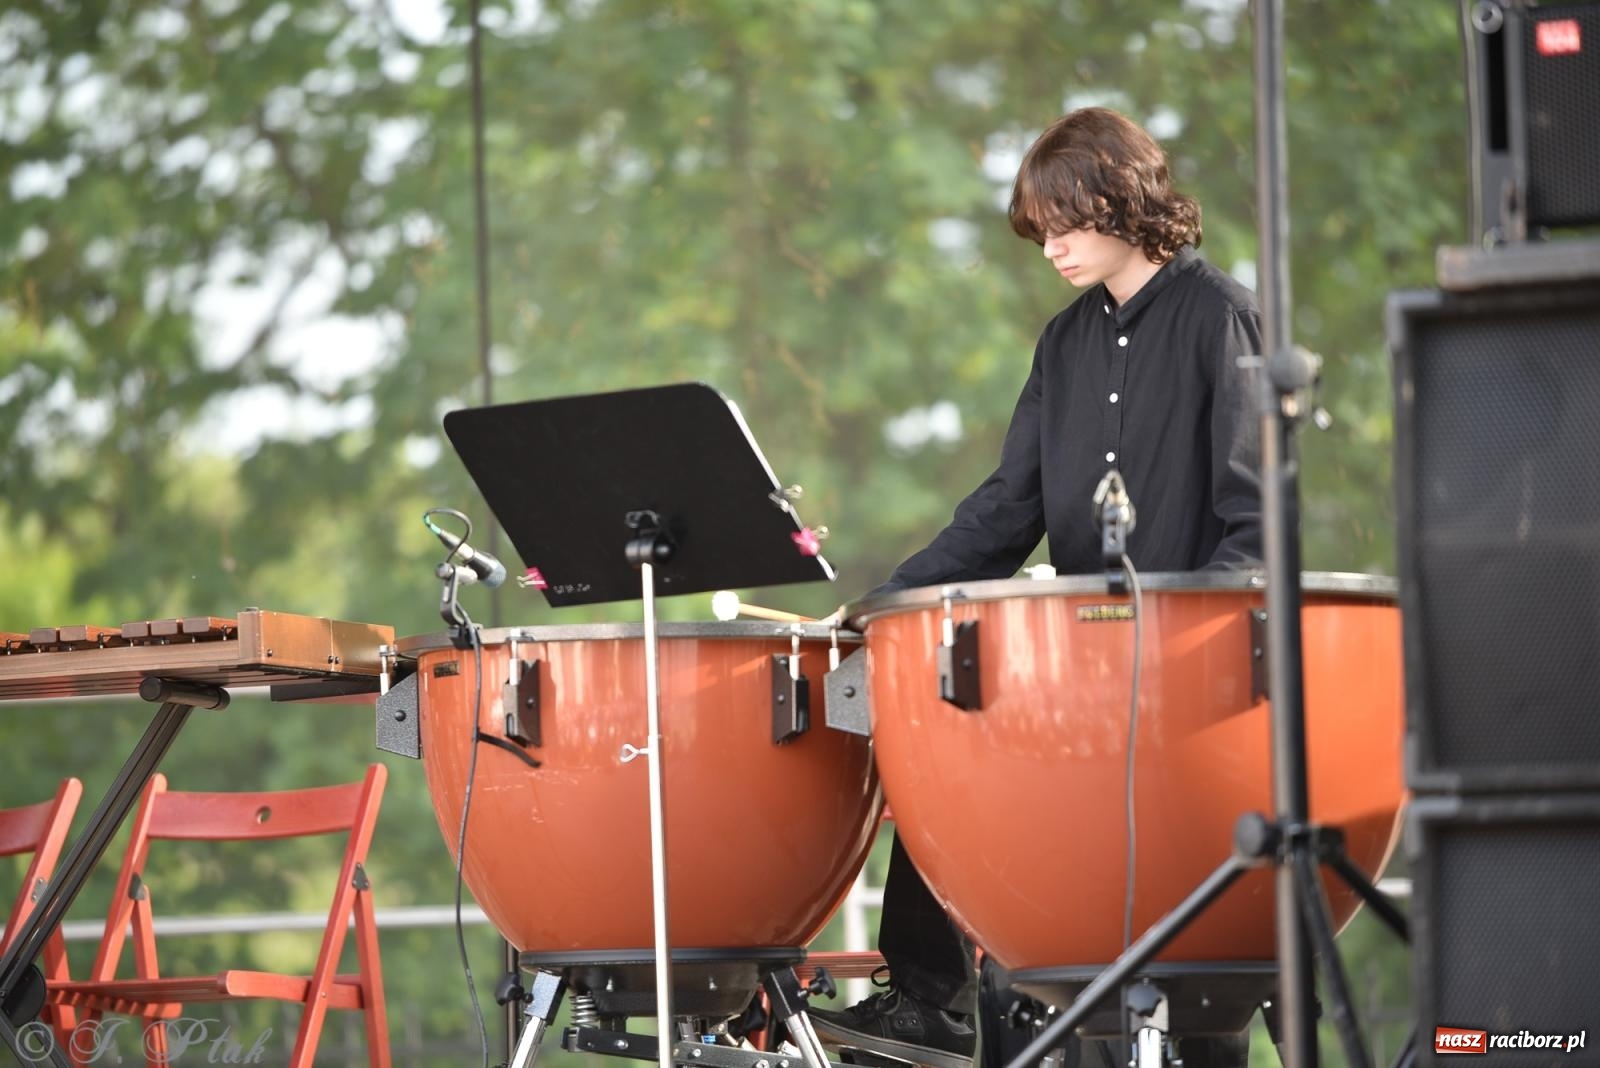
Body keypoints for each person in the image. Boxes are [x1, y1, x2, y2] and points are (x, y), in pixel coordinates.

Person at [806, 107, 1264, 1068]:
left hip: (1189, 677)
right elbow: (1004, 514)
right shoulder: (1062, 345)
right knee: (941, 737)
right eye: (1039, 231)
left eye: (1066, 225)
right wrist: (883, 605)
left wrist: (1186, 646)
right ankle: (927, 997)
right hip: (1078, 671)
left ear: (1124, 201)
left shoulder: (1217, 314)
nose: (1050, 247)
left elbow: (1255, 521)